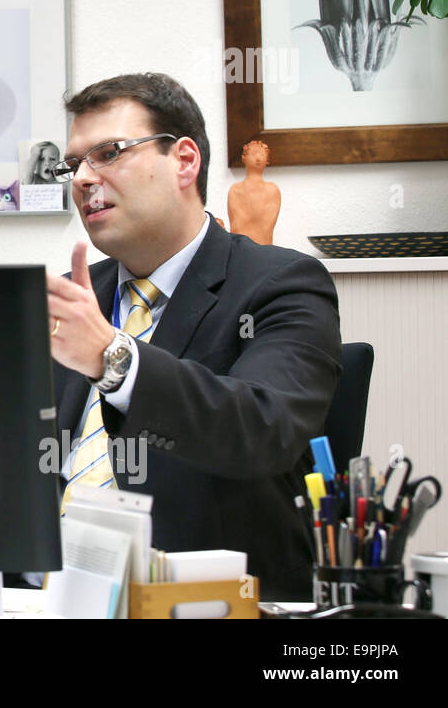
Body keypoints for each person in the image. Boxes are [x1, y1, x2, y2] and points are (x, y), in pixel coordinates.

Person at [43, 72, 341, 601]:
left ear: (184, 160)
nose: (84, 178)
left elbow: (264, 428)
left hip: (204, 602)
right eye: (74, 164)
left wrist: (114, 357)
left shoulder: (282, 284)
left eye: (109, 152)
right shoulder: (69, 300)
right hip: (41, 599)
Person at [228, 139, 280, 245]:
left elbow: (267, 227)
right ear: (244, 158)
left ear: (267, 159)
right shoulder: (236, 190)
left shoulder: (272, 190)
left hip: (264, 250)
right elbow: (237, 226)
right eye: (253, 154)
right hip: (241, 251)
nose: (258, 158)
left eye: (261, 154)